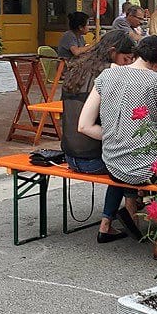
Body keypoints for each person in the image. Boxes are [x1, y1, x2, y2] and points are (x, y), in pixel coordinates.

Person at [78, 36, 157, 257]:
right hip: (147, 170)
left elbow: (83, 126)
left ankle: (130, 213)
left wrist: (118, 135)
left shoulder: (106, 76)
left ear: (137, 53)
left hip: (112, 164)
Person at [60, 30, 138, 242]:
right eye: (126, 59)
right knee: (128, 161)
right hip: (92, 158)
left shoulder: (78, 66)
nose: (128, 64)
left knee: (121, 156)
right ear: (113, 53)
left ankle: (118, 218)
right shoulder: (110, 74)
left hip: (69, 154)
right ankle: (118, 220)